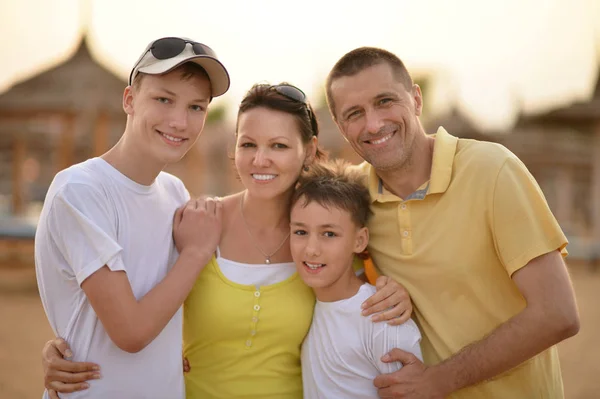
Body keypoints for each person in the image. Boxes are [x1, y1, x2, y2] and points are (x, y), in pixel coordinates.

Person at [41, 82, 413, 398]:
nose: (260, 160)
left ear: (310, 151)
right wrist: (61, 347)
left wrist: (388, 284)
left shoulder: (326, 236)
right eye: (248, 144)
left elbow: (360, 290)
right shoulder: (194, 221)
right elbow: (129, 293)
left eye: (279, 146)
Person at [324, 46, 580, 398]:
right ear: (340, 126)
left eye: (385, 101)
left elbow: (557, 313)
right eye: (355, 113)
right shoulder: (351, 199)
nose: (373, 123)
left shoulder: (493, 170)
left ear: (415, 99)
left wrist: (441, 378)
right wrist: (372, 284)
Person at [34, 36, 230, 398]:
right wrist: (195, 253)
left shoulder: (175, 194)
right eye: (163, 99)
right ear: (129, 100)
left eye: (196, 107)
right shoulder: (80, 190)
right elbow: (130, 332)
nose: (179, 121)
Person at [290, 160, 423, 398]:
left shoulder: (382, 319)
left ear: (359, 241)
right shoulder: (302, 308)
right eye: (301, 232)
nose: (311, 249)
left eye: (329, 234)